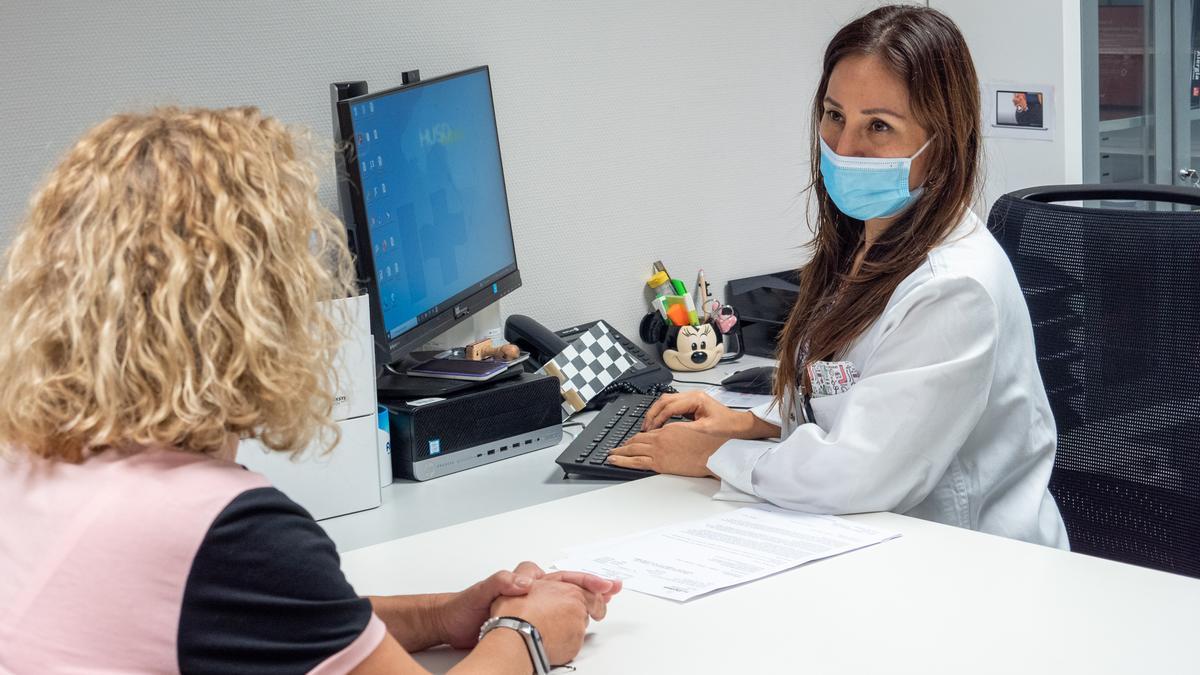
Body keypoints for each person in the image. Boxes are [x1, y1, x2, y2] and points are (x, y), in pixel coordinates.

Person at [0, 107, 620, 674]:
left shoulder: (27, 458)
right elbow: (257, 589)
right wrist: (527, 633)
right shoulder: (224, 528)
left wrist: (438, 616)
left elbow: (258, 619)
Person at [609, 5, 1069, 550]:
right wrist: (755, 422)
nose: (844, 148)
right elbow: (849, 381)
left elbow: (860, 471)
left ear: (943, 139)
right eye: (834, 115)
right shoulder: (867, 242)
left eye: (878, 125)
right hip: (878, 540)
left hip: (966, 564)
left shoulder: (954, 287)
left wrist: (712, 456)